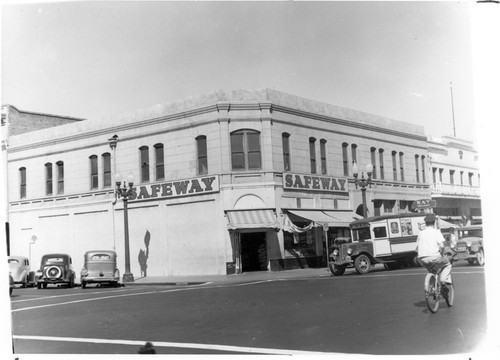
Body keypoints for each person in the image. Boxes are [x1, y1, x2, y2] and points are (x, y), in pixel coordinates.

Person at [416, 213, 453, 289]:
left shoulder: (421, 233)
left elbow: (417, 247)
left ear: (425, 223)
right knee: (447, 264)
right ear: (434, 223)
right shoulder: (436, 232)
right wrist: (442, 253)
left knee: (431, 270)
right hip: (434, 257)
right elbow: (442, 246)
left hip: (422, 259)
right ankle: (443, 280)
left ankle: (432, 287)